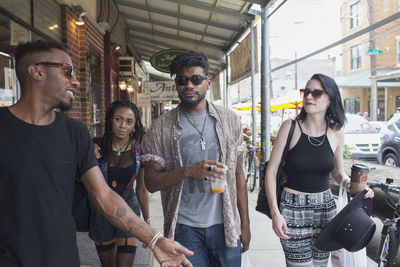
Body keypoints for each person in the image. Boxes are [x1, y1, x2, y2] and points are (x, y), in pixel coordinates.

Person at [0, 40, 193, 267]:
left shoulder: (75, 133)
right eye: (67, 70)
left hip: (62, 257)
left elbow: (104, 196)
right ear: (37, 71)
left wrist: (153, 239)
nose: (75, 80)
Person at [141, 51, 250, 267]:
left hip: (225, 224)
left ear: (208, 82)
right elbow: (150, 183)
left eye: (196, 79)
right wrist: (187, 171)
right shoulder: (161, 128)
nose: (189, 85)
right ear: (176, 84)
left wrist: (244, 223)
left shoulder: (230, 120)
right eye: (182, 80)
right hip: (184, 226)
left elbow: (238, 174)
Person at [265, 73, 374, 267]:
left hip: (325, 210)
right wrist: (275, 213)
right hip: (293, 209)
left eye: (316, 93)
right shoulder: (289, 127)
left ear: (330, 98)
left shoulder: (337, 133)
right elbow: (271, 172)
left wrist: (353, 185)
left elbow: (338, 173)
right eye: (306, 92)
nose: (308, 97)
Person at [89, 100, 150, 267]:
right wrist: (87, 155)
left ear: (134, 125)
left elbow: (142, 191)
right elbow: (80, 178)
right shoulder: (96, 145)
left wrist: (147, 224)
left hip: (128, 211)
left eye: (129, 121)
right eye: (119, 119)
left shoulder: (139, 150)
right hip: (101, 212)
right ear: (110, 120)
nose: (123, 125)